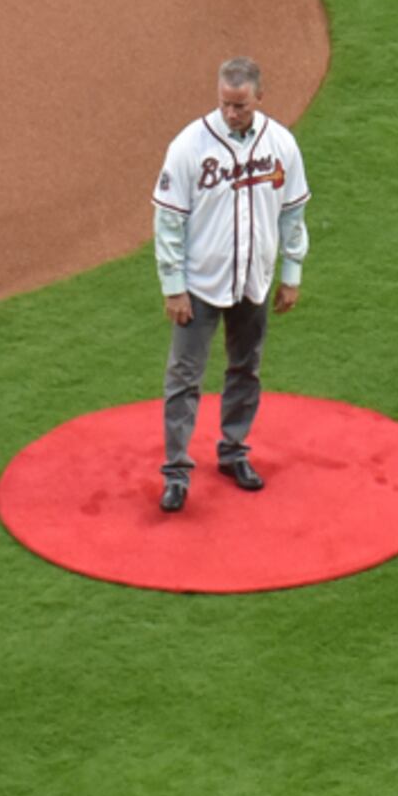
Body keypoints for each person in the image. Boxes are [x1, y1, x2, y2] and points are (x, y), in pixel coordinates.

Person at [151, 58, 310, 512]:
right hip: (200, 285)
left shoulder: (281, 144)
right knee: (184, 378)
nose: (231, 114)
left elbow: (293, 214)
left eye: (240, 105)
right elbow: (168, 223)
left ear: (260, 97)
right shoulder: (188, 146)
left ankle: (234, 452)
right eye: (225, 104)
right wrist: (173, 285)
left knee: (246, 368)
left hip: (254, 282)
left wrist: (291, 275)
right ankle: (177, 473)